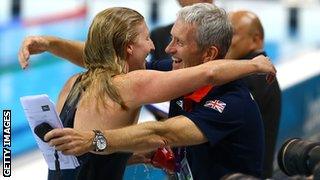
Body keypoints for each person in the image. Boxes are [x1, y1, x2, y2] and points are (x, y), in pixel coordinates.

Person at [19, 5, 275, 180]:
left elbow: (161, 132)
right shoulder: (166, 73)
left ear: (208, 54)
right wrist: (50, 44)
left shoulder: (233, 102)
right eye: (153, 39)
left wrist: (94, 140)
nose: (165, 48)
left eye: (179, 42)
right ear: (128, 48)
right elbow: (103, 54)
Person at [225, 10, 282, 178]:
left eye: (232, 34)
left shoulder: (255, 77)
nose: (225, 41)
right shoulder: (254, 75)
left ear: (256, 39)